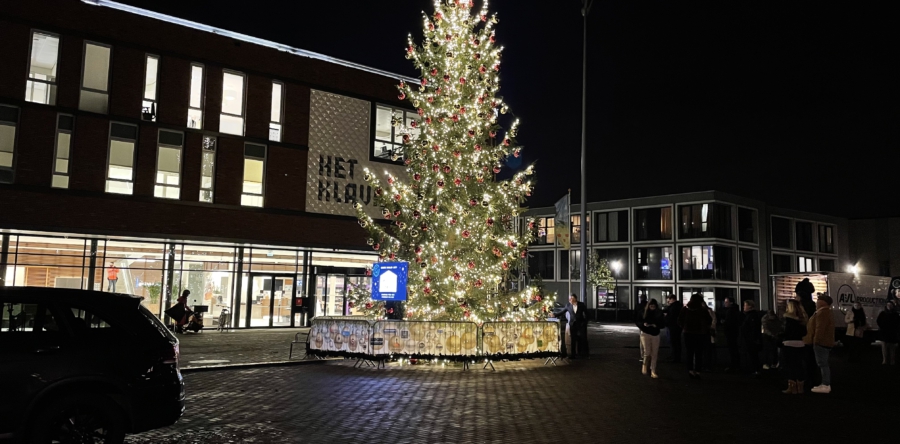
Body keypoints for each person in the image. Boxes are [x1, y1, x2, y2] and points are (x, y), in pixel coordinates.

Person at [804, 294, 835, 394]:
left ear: (822, 302)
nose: (816, 302)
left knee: (822, 363)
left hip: (820, 342)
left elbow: (819, 328)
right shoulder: (824, 312)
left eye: (818, 300)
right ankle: (824, 383)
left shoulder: (823, 313)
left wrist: (816, 341)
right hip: (822, 342)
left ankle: (825, 384)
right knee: (822, 363)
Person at [679, 292, 712, 379]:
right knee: (699, 353)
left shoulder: (685, 309)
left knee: (689, 352)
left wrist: (684, 327)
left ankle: (690, 370)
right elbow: (709, 320)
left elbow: (679, 320)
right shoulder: (702, 310)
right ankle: (697, 371)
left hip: (688, 333)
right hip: (700, 333)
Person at [781, 299, 809, 394]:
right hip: (800, 344)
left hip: (789, 343)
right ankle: (800, 386)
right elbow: (804, 332)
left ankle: (792, 387)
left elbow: (786, 332)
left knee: (789, 365)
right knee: (799, 365)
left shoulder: (788, 320)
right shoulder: (802, 320)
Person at [638, 298, 664, 378]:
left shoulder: (659, 313)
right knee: (647, 352)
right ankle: (645, 365)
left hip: (655, 333)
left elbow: (663, 323)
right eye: (651, 306)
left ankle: (653, 370)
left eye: (653, 306)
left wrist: (657, 325)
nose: (652, 307)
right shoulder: (643, 312)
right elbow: (638, 321)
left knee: (654, 353)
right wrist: (643, 325)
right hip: (646, 333)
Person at [561, 294, 588, 358]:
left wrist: (585, 322)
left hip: (580, 324)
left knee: (581, 339)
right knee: (573, 339)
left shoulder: (581, 305)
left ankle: (581, 353)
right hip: (572, 325)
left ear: (576, 298)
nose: (570, 300)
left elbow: (587, 313)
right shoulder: (568, 305)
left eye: (572, 298)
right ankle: (573, 354)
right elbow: (562, 312)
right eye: (570, 299)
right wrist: (554, 314)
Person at [740, 300, 763, 376]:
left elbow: (753, 328)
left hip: (750, 340)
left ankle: (755, 370)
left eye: (745, 305)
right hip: (750, 339)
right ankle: (754, 369)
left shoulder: (752, 316)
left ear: (749, 306)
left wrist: (752, 338)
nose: (744, 307)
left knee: (753, 355)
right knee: (752, 355)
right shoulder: (750, 315)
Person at [761, 302, 785, 370]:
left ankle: (772, 363)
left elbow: (779, 326)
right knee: (768, 350)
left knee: (773, 350)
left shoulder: (774, 319)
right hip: (767, 336)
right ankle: (767, 363)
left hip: (773, 336)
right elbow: (766, 328)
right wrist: (773, 334)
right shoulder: (766, 319)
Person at [723, 296, 744, 372]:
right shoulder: (735, 311)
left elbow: (729, 323)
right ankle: (736, 365)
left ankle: (734, 365)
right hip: (734, 332)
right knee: (734, 349)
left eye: (726, 302)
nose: (725, 303)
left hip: (731, 333)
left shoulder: (730, 311)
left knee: (732, 349)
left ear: (730, 303)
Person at [663, 295, 683, 363]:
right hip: (677, 326)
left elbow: (671, 317)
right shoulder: (678, 306)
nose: (667, 301)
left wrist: (666, 319)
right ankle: (676, 356)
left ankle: (675, 357)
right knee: (676, 342)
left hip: (673, 326)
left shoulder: (673, 307)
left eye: (668, 299)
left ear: (671, 299)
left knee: (673, 342)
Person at [635, 294, 649, 362]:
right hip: (647, 324)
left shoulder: (638, 305)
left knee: (642, 340)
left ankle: (643, 355)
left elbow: (635, 316)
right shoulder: (647, 305)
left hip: (641, 325)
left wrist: (639, 324)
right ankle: (647, 354)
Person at [704, 305, 717, 371]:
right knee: (708, 349)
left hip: (706, 332)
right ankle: (708, 364)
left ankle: (707, 365)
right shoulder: (710, 311)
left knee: (707, 349)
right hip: (708, 332)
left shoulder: (707, 311)